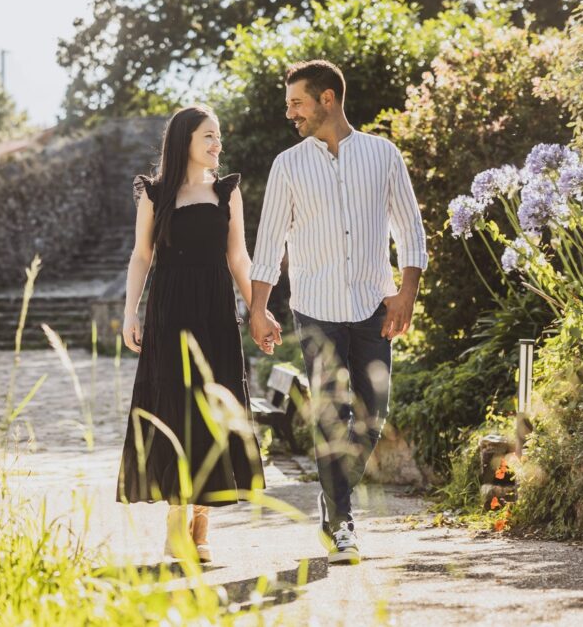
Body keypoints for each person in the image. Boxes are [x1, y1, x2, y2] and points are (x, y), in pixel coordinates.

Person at [249, 60, 428, 565]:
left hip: (374, 305)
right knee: (332, 415)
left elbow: (410, 232)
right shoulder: (288, 165)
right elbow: (268, 246)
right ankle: (343, 522)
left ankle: (332, 503)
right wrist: (259, 310)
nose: (291, 114)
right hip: (316, 309)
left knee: (373, 414)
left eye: (296, 103)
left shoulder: (382, 155)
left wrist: (406, 294)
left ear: (327, 99)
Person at [117, 105, 270, 563]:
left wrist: (259, 311)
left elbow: (240, 258)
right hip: (169, 314)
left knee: (213, 413)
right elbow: (141, 256)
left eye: (218, 136)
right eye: (208, 136)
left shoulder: (227, 193)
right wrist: (130, 313)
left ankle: (201, 522)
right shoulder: (156, 193)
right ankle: (175, 519)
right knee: (174, 409)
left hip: (216, 315)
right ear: (184, 140)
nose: (216, 144)